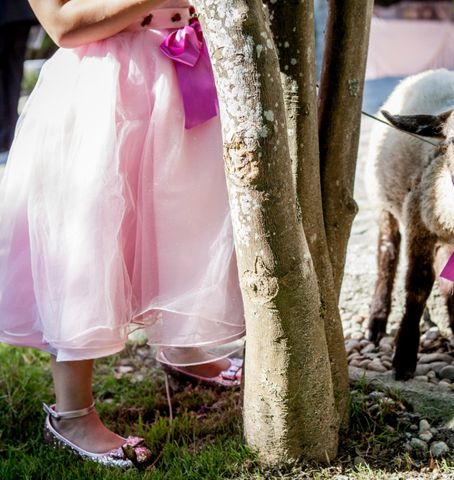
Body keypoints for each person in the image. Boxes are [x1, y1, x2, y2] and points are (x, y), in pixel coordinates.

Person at [0, 0, 245, 468]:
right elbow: (62, 24)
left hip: (180, 65)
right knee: (92, 235)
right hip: (103, 87)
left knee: (180, 218)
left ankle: (183, 344)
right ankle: (73, 412)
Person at [0, 0, 38, 163]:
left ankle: (5, 140)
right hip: (20, 13)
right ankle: (8, 138)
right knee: (14, 72)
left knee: (10, 74)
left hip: (11, 14)